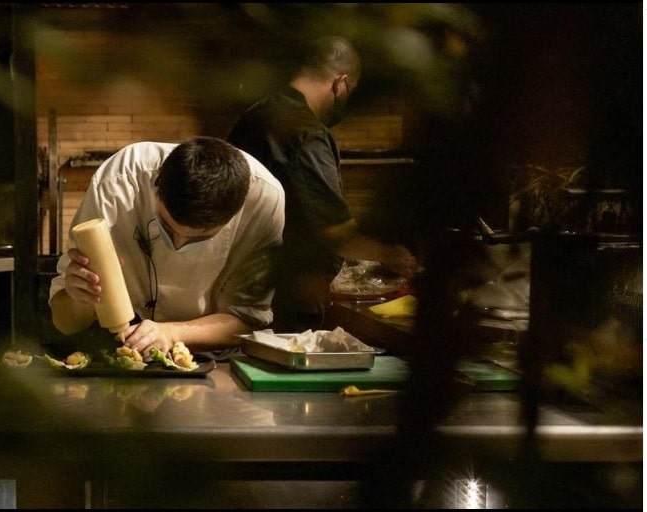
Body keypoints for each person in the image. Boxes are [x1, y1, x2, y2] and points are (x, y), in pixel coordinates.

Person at [227, 35, 419, 333]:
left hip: (233, 288)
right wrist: (390, 255)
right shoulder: (306, 133)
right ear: (340, 83)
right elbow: (334, 229)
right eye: (350, 91)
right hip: (287, 301)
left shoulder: (253, 117)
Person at [49, 136, 285, 357]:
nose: (178, 244)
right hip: (125, 346)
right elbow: (65, 323)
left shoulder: (263, 200)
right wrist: (80, 297)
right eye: (167, 227)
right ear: (157, 183)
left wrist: (172, 333)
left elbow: (247, 319)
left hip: (215, 356)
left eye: (198, 240)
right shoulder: (118, 182)